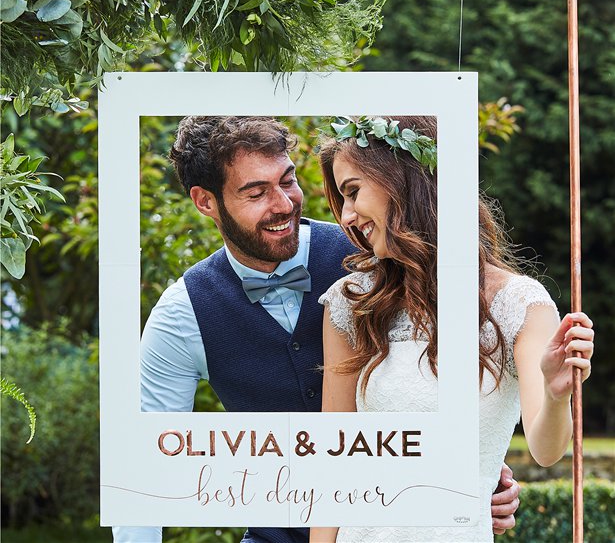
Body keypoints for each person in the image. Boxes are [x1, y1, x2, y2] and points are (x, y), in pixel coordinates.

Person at [113, 116, 521, 543]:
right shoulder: (182, 315)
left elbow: (459, 366)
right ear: (205, 201)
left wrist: (483, 473)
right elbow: (143, 467)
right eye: (256, 193)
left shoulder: (375, 255)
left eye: (287, 181)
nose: (285, 204)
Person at [310, 116, 595, 543]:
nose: (347, 216)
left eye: (353, 191)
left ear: (403, 180)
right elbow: (335, 464)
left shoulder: (520, 303)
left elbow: (546, 449)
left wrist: (558, 396)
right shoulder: (352, 302)